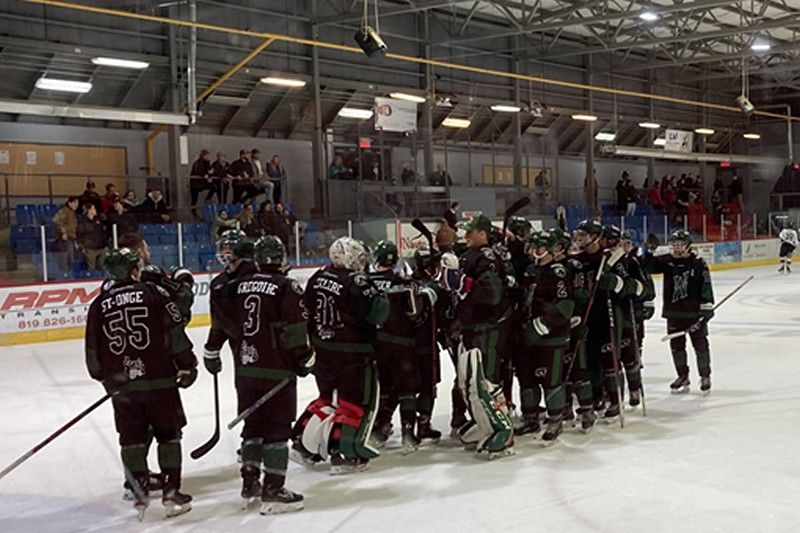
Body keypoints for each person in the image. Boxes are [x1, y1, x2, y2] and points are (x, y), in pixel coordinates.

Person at [85, 247, 197, 519]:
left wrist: (107, 379)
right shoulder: (154, 293)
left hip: (123, 388)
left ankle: (138, 492)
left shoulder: (98, 305)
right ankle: (171, 493)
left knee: (131, 439)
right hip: (159, 381)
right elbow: (175, 332)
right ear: (135, 269)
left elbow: (93, 355)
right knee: (169, 435)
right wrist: (187, 364)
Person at [203, 234, 312, 514]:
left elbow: (221, 321)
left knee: (252, 426)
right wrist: (305, 359)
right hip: (276, 369)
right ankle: (273, 490)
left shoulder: (233, 286)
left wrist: (219, 348)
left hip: (246, 367)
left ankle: (249, 482)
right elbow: (294, 330)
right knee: (276, 429)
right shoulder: (286, 286)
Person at [292, 237, 389, 474]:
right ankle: (343, 453)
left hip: (324, 350)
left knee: (327, 398)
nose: (362, 261)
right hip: (353, 353)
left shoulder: (317, 277)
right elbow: (377, 314)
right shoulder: (356, 282)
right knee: (354, 404)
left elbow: (305, 310)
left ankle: (302, 444)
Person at [439, 214, 514, 458]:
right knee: (468, 382)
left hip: (489, 328)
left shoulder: (489, 257)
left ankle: (503, 431)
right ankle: (485, 423)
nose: (466, 234)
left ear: (483, 233)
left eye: (471, 231)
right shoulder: (469, 255)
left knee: (485, 380)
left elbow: (491, 294)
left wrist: (463, 283)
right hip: (472, 327)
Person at [368, 241, 435, 454]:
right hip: (403, 345)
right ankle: (408, 434)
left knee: (384, 389)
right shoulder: (404, 283)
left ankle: (379, 428)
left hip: (377, 344)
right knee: (406, 390)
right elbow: (416, 314)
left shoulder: (366, 282)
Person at [515, 228, 574, 444]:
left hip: (552, 337)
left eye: (539, 247)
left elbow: (565, 305)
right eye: (533, 246)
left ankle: (555, 420)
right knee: (526, 379)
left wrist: (543, 325)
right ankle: (530, 418)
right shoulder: (530, 270)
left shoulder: (557, 271)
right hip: (527, 335)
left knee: (551, 379)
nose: (534, 251)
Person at [641, 230, 714, 394]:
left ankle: (705, 376)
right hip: (674, 314)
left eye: (680, 244)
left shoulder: (698, 264)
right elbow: (646, 267)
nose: (676, 248)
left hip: (694, 314)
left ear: (688, 246)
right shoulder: (667, 261)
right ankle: (682, 375)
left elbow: (706, 287)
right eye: (674, 244)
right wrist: (649, 251)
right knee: (677, 347)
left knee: (701, 346)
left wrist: (706, 311)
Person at [77, 204, 106, 270]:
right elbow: (80, 235)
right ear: (89, 210)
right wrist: (83, 247)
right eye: (93, 208)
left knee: (103, 267)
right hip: (90, 248)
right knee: (91, 268)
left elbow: (103, 232)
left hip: (101, 247)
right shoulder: (82, 222)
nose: (95, 210)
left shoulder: (99, 220)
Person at [53, 196, 79, 268]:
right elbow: (56, 220)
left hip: (72, 238)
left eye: (77, 203)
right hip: (66, 239)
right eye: (74, 203)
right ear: (69, 203)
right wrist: (63, 232)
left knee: (72, 258)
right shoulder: (64, 211)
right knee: (67, 258)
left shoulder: (73, 213)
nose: (76, 205)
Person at [189, 149, 214, 217]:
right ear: (204, 156)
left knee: (214, 186)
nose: (209, 157)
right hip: (195, 183)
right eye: (207, 155)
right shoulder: (197, 163)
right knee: (194, 199)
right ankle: (193, 211)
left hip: (202, 182)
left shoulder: (207, 162)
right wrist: (205, 175)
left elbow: (210, 171)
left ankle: (207, 198)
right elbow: (197, 172)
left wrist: (209, 175)